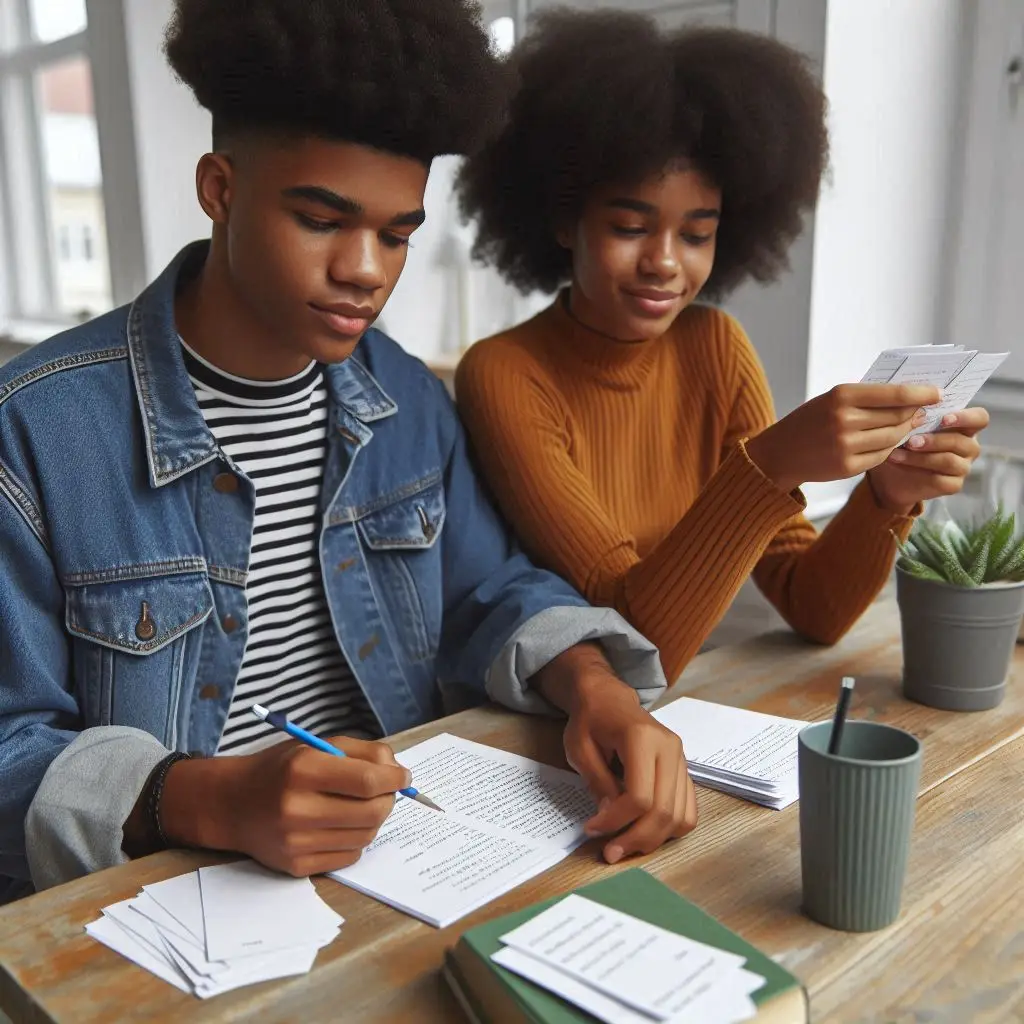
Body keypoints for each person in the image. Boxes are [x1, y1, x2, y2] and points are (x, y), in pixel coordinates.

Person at [0, 0, 697, 906]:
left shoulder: (405, 397)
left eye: (397, 234)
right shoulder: (36, 429)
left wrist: (596, 686)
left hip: (396, 875)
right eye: (323, 220)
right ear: (220, 188)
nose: (366, 270)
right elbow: (11, 747)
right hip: (156, 911)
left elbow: (489, 590)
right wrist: (206, 798)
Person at [455, 11, 987, 684]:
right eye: (629, 226)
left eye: (696, 234)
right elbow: (628, 641)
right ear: (562, 219)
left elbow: (812, 606)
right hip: (559, 724)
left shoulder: (714, 346)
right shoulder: (506, 373)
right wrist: (769, 466)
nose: (665, 264)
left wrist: (885, 495)